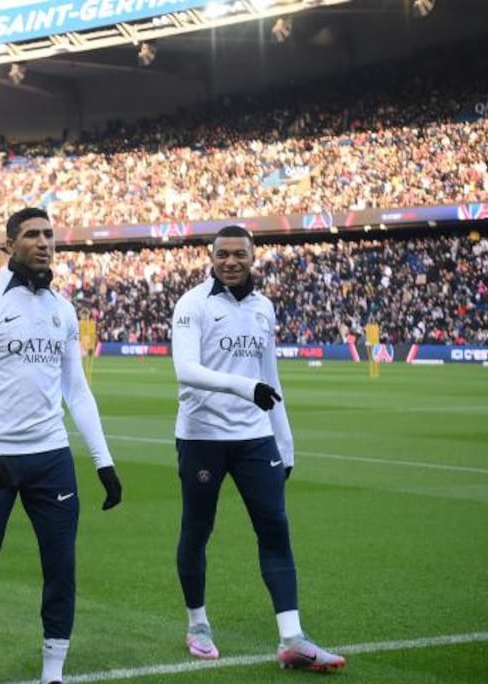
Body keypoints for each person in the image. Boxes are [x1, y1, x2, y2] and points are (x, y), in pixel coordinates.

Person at [0, 208, 122, 684]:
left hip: (51, 458)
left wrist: (104, 461)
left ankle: (53, 672)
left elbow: (76, 390)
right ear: (8, 244)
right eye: (32, 235)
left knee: (61, 568)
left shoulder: (61, 309)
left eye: (49, 235)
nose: (44, 242)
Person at [169, 224, 345, 671]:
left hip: (255, 438)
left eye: (239, 254)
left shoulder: (264, 307)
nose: (231, 261)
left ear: (253, 256)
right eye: (222, 254)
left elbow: (271, 379)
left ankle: (291, 638)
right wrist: (245, 387)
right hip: (202, 436)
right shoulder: (192, 304)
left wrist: (285, 442)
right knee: (197, 529)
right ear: (211, 257)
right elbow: (186, 369)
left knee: (275, 529)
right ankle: (197, 623)